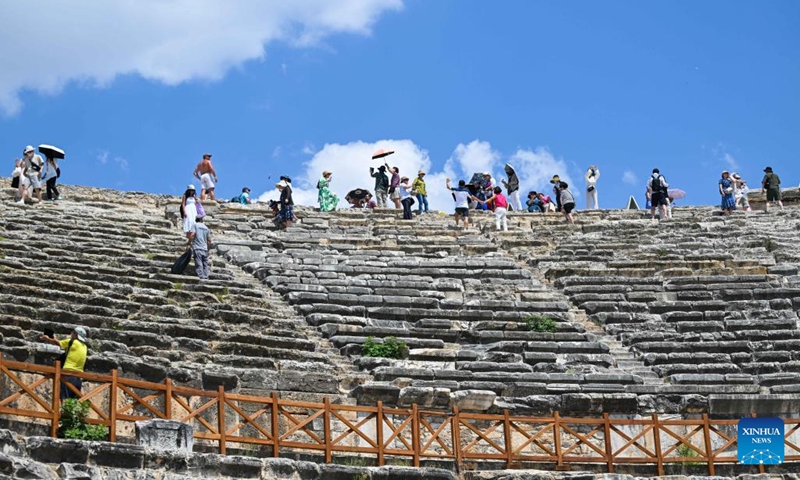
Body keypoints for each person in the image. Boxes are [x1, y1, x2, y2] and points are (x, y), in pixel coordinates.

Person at [40, 327, 88, 399]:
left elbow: (58, 343)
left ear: (76, 334)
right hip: (78, 376)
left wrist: (47, 339)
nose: (71, 334)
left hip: (68, 373)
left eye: (73, 332)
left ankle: (62, 410)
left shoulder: (72, 342)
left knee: (65, 398)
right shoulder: (84, 346)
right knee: (74, 400)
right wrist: (54, 338)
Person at [188, 215, 211, 280]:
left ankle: (201, 277)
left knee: (199, 263)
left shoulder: (195, 226)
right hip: (204, 248)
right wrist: (208, 249)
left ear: (196, 220)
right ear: (201, 220)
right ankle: (206, 276)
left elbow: (192, 235)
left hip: (197, 247)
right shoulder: (206, 228)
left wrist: (189, 243)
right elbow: (209, 240)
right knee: (205, 263)